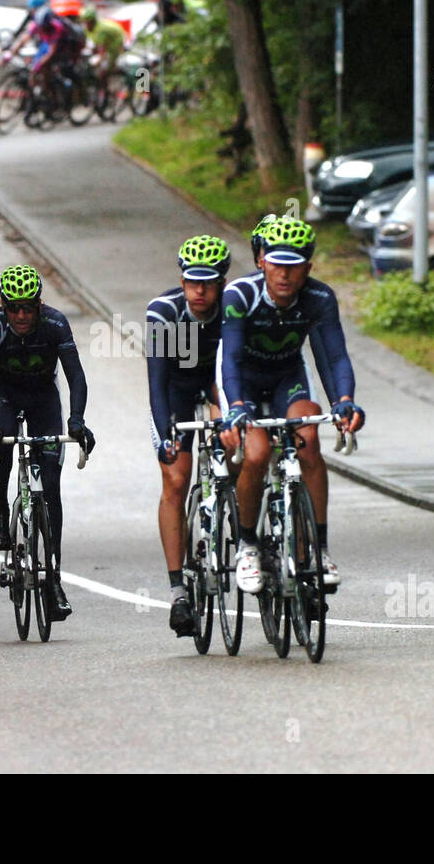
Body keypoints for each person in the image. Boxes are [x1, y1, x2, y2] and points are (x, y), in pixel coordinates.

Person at [217, 218, 365, 594]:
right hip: (243, 380)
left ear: (308, 269)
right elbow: (230, 359)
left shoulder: (319, 298)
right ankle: (248, 546)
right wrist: (235, 406)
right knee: (256, 452)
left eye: (294, 266)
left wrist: (344, 402)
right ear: (262, 261)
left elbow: (334, 357)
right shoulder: (239, 295)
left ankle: (319, 549)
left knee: (309, 439)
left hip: (287, 377)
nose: (284, 274)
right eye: (277, 263)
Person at [0, 265, 92, 621]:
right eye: (14, 308)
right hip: (6, 397)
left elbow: (75, 376)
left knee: (52, 489)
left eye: (29, 307)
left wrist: (77, 420)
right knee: (3, 445)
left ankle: (53, 578)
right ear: (3, 306)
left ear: (40, 304)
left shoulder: (55, 324)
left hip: (43, 398)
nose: (22, 315)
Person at [148, 236, 231, 636]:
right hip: (175, 393)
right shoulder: (165, 312)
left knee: (239, 444)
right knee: (176, 479)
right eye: (192, 282)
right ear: (182, 281)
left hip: (216, 386)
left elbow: (232, 375)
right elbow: (156, 383)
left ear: (222, 282)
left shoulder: (233, 308)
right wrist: (167, 434)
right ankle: (179, 591)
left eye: (209, 283)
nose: (200, 291)